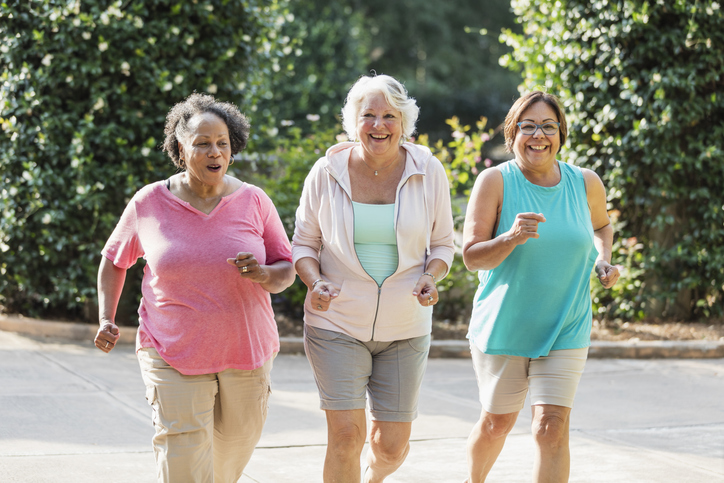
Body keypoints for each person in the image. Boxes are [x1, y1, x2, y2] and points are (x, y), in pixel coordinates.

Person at [93, 93, 295, 482]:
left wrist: (263, 275)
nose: (214, 151)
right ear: (180, 149)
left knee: (231, 452)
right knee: (183, 456)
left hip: (246, 350)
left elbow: (285, 268)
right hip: (170, 350)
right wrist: (106, 317)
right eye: (202, 143)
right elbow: (114, 260)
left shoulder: (254, 200)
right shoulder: (149, 202)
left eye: (222, 143)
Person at [293, 74, 455, 483]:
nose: (378, 125)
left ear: (404, 122)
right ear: (353, 122)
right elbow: (303, 245)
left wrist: (432, 278)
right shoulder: (325, 172)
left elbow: (443, 245)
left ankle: (373, 477)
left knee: (391, 446)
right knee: (346, 436)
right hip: (336, 321)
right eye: (368, 115)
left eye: (388, 116)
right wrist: (315, 283)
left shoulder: (428, 170)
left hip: (405, 325)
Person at [461, 91, 620, 482]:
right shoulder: (495, 181)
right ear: (512, 134)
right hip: (505, 327)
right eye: (527, 126)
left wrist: (603, 259)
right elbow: (471, 256)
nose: (538, 135)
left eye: (548, 126)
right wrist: (510, 237)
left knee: (550, 427)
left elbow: (602, 227)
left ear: (561, 134)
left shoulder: (585, 183)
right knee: (497, 423)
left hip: (567, 324)